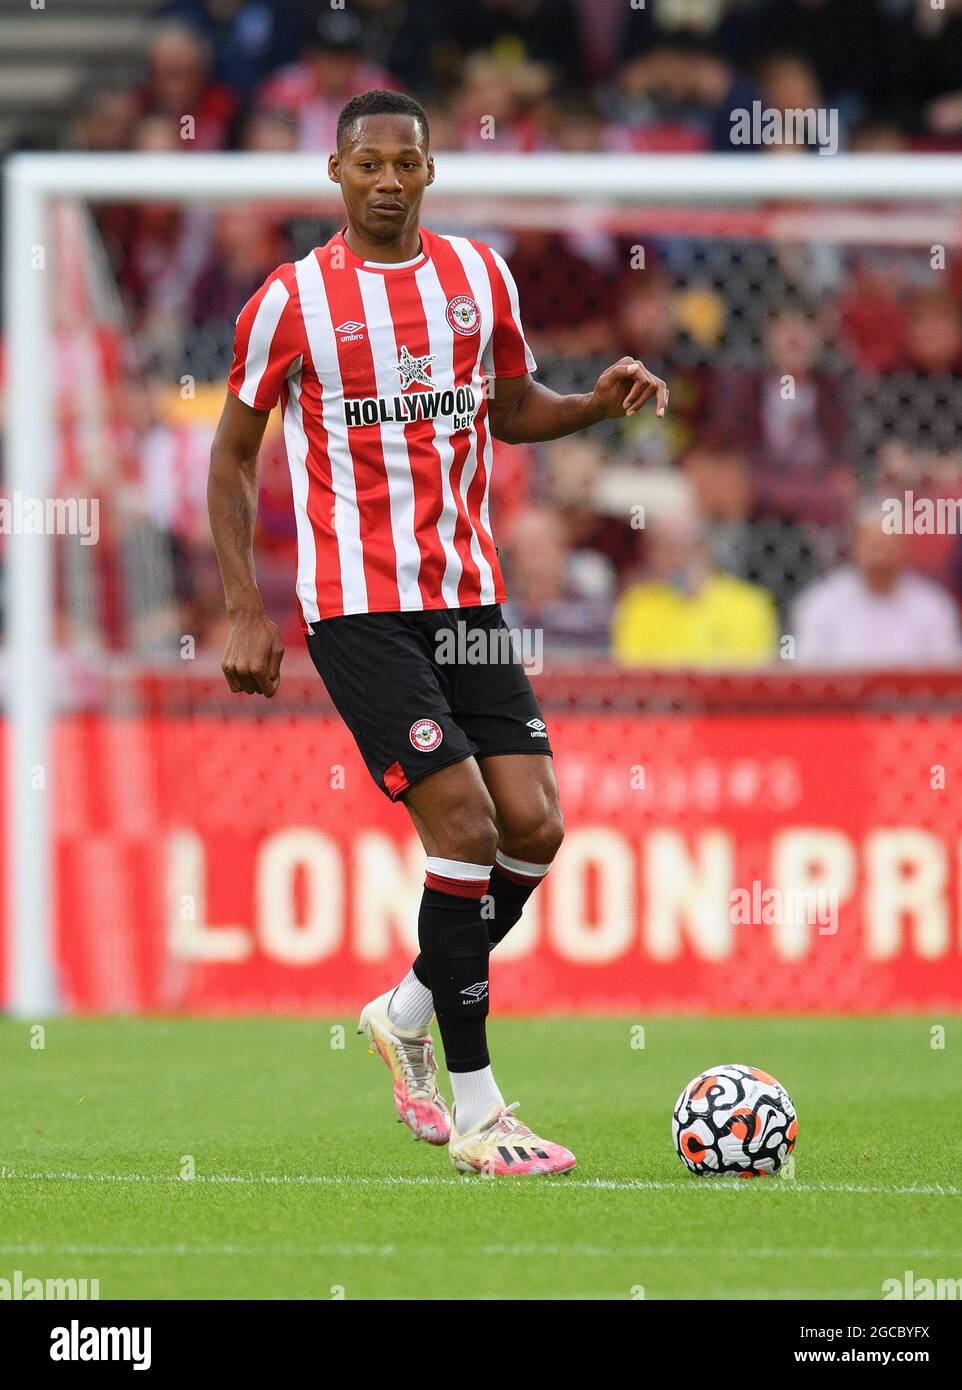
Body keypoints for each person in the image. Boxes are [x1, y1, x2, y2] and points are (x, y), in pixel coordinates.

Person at [207, 89, 668, 1177]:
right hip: (358, 605)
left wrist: (593, 405)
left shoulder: (478, 278)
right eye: (363, 163)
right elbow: (230, 454)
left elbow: (510, 407)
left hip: (466, 595)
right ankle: (478, 1108)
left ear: (426, 173)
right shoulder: (290, 304)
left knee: (535, 824)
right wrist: (242, 605)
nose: (382, 180)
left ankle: (407, 1006)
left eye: (401, 164)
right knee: (460, 824)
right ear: (335, 173)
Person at [792, 502, 962, 666]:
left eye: (888, 541)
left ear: (905, 546)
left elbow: (945, 674)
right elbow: (809, 673)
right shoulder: (821, 604)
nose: (880, 549)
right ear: (853, 545)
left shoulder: (933, 605)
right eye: (871, 541)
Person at [612, 510, 777, 667]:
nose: (667, 560)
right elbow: (633, 672)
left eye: (677, 549)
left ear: (703, 549)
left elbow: (751, 675)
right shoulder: (639, 604)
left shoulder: (749, 605)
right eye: (659, 550)